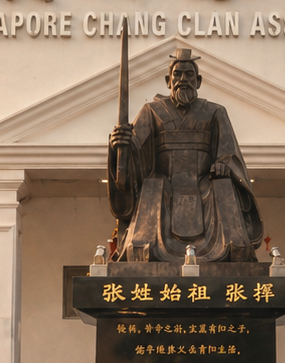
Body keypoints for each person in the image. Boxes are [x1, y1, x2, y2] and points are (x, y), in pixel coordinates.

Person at [108, 47, 263, 263]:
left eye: (189, 75)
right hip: (164, 185)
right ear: (168, 81)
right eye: (177, 74)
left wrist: (224, 164)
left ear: (198, 81)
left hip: (204, 184)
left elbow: (230, 155)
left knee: (222, 186)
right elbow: (134, 153)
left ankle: (233, 247)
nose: (183, 80)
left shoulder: (215, 112)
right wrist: (119, 146)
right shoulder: (151, 111)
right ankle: (143, 246)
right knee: (152, 186)